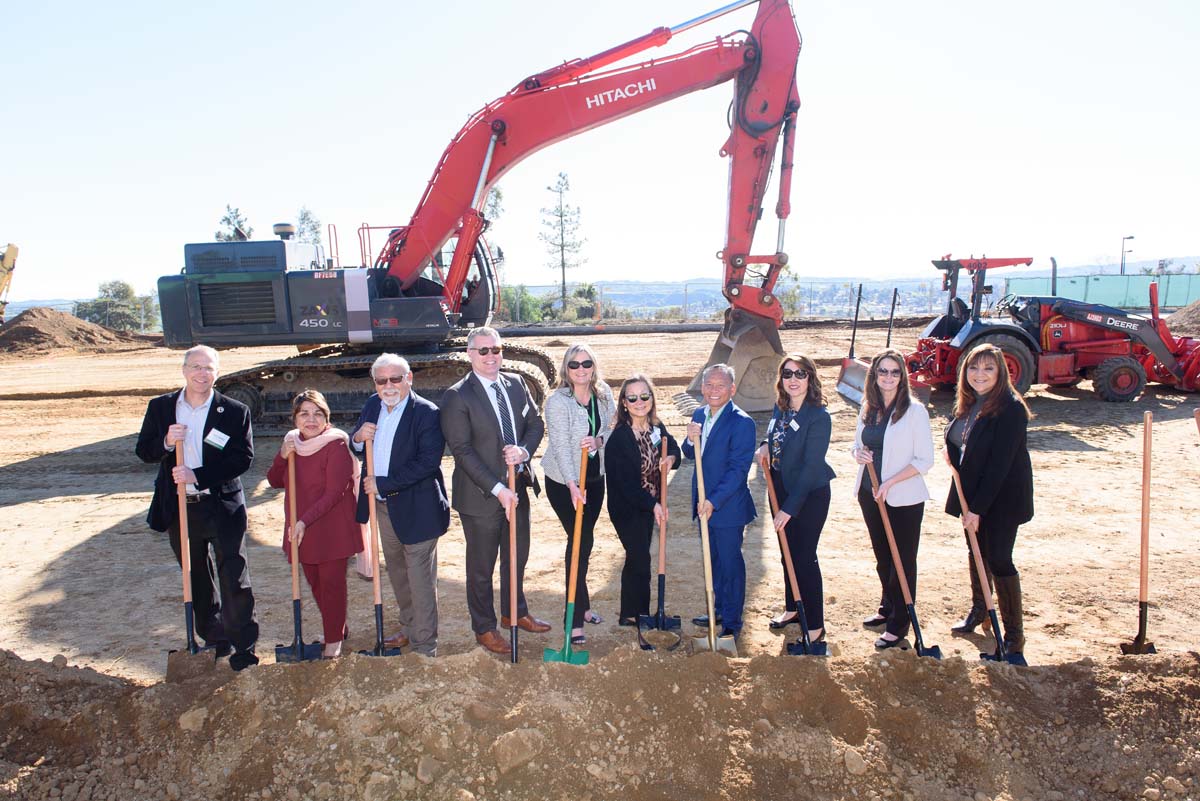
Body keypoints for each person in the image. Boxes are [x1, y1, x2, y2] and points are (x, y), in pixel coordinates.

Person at [135, 345, 259, 670]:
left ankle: (243, 648)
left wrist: (198, 475)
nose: (202, 374)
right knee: (196, 577)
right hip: (180, 507)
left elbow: (242, 458)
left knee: (234, 575)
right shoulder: (161, 408)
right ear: (184, 369)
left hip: (222, 505)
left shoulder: (233, 411)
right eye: (196, 367)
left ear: (217, 372)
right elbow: (143, 450)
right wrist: (164, 441)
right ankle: (215, 640)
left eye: (209, 368)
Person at [440, 327, 549, 655]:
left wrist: (524, 452)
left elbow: (536, 425)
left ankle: (515, 611)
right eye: (483, 350)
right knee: (481, 566)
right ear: (470, 354)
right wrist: (499, 488)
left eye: (496, 349)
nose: (491, 356)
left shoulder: (516, 384)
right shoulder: (457, 396)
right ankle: (485, 627)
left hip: (520, 489)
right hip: (481, 497)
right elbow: (462, 451)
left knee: (517, 557)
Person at [350, 354, 450, 657]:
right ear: (375, 383)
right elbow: (358, 446)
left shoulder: (427, 413)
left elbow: (427, 463)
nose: (389, 385)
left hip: (418, 509)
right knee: (397, 574)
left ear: (409, 379)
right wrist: (357, 438)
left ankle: (424, 646)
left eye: (396, 378)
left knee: (419, 580)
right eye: (382, 380)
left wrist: (383, 483)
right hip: (383, 508)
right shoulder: (372, 405)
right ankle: (409, 628)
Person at [943, 342, 1033, 658]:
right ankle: (980, 610)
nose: (979, 375)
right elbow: (963, 442)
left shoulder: (1011, 408)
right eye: (973, 368)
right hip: (974, 493)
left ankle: (1013, 638)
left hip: (1003, 499)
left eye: (988, 368)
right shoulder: (970, 403)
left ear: (1001, 372)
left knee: (998, 558)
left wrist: (978, 509)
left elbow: (1000, 465)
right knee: (975, 551)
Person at [266, 390, 362, 659]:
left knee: (331, 584)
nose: (311, 419)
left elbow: (335, 492)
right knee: (316, 583)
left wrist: (304, 521)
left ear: (326, 418)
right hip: (300, 529)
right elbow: (274, 480)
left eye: (318, 413)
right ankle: (338, 627)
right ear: (295, 418)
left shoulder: (337, 445)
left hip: (331, 527)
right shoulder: (292, 443)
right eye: (304, 414)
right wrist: (282, 456)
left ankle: (333, 641)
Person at [851, 348, 934, 650]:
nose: (888, 377)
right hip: (869, 493)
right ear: (874, 375)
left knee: (902, 560)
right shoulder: (868, 409)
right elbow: (856, 446)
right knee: (883, 557)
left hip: (903, 498)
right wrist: (858, 455)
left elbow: (925, 460)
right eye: (882, 371)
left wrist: (891, 482)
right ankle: (887, 608)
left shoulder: (915, 411)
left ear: (903, 376)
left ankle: (900, 624)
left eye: (894, 372)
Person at [755, 353, 834, 645]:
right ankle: (793, 608)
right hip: (781, 489)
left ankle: (814, 626)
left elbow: (813, 466)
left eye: (800, 374)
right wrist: (764, 445)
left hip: (808, 495)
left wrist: (789, 508)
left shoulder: (818, 416)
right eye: (787, 374)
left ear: (810, 377)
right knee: (787, 553)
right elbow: (773, 433)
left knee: (804, 557)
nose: (793, 380)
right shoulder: (782, 407)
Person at [541, 344, 616, 645]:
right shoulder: (558, 401)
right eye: (574, 365)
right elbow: (559, 445)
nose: (581, 369)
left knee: (584, 541)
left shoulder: (604, 393)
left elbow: (613, 427)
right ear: (566, 370)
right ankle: (572, 619)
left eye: (586, 363)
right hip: (563, 482)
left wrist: (598, 440)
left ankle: (582, 606)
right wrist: (573, 484)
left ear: (594, 366)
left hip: (595, 478)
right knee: (579, 542)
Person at [681, 363, 757, 639]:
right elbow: (690, 453)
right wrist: (690, 440)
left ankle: (733, 624)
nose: (714, 390)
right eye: (709, 385)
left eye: (720, 385)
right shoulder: (700, 413)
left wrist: (713, 500)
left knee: (730, 564)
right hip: (703, 505)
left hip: (727, 508)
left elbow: (738, 471)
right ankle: (719, 609)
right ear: (702, 388)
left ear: (732, 389)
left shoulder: (742, 422)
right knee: (712, 561)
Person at [604, 374, 681, 626]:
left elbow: (675, 449)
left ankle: (630, 613)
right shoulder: (619, 438)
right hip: (627, 507)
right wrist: (654, 504)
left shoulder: (656, 427)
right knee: (640, 558)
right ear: (624, 403)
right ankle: (642, 615)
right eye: (633, 397)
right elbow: (626, 485)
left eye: (644, 396)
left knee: (636, 556)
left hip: (649, 504)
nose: (640, 401)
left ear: (651, 398)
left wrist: (670, 459)